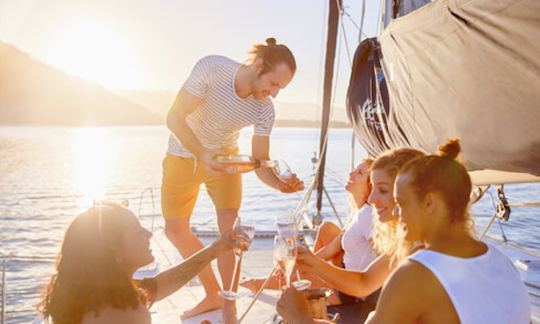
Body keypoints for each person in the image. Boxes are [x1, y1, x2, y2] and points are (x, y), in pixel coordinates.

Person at [162, 37, 304, 320]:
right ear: (259, 65)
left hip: (226, 160)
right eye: (274, 84)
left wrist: (278, 183)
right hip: (182, 155)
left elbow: (261, 163)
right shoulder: (213, 68)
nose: (274, 94)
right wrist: (201, 153)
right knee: (175, 231)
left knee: (230, 228)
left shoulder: (264, 109)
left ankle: (228, 302)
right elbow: (174, 117)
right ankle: (212, 292)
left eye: (280, 88)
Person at [366, 139, 531, 323]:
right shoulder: (503, 262)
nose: (397, 212)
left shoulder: (414, 274)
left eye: (401, 203)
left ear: (429, 203)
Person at [277, 147, 425, 323]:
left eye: (383, 190)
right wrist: (313, 262)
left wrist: (303, 319)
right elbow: (364, 281)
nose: (371, 199)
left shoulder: (420, 261)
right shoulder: (408, 245)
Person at [38, 202, 246, 324]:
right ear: (114, 251)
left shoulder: (92, 295)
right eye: (138, 231)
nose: (148, 233)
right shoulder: (125, 314)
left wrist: (215, 249)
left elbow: (162, 284)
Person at [241, 158, 377, 305]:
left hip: (351, 292)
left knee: (303, 276)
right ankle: (304, 275)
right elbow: (331, 249)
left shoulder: (368, 216)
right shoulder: (360, 211)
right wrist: (303, 264)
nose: (351, 173)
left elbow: (385, 254)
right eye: (355, 170)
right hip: (347, 272)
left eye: (360, 173)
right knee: (326, 228)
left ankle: (259, 283)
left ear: (371, 185)